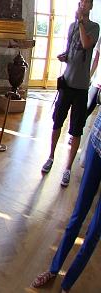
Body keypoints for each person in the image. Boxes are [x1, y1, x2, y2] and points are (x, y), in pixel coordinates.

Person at [32, 109, 101, 292]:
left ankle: (67, 284)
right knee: (77, 216)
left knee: (95, 231)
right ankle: (54, 269)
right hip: (98, 142)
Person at [41, 0, 99, 187]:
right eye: (81, 0)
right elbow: (71, 49)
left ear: (91, 6)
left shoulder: (94, 27)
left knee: (76, 129)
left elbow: (86, 44)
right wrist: (64, 57)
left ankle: (67, 168)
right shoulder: (72, 26)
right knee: (57, 122)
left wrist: (81, 22)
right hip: (66, 83)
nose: (82, 3)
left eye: (86, 1)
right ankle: (50, 156)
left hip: (81, 88)